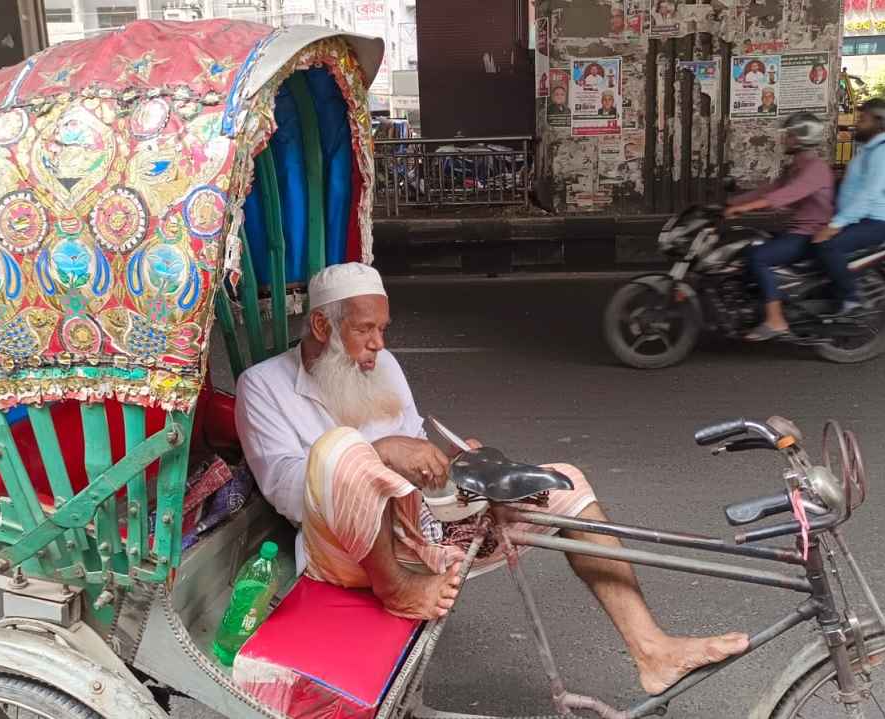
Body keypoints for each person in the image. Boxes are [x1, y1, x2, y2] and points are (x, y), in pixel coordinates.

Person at [235, 263, 750, 695]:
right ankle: (399, 590)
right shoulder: (262, 387)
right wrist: (381, 453)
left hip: (425, 530)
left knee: (564, 483)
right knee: (341, 448)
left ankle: (651, 649)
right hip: (347, 553)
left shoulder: (383, 365)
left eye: (383, 329)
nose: (379, 344)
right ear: (323, 328)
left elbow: (417, 446)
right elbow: (287, 492)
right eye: (365, 331)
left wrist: (462, 468)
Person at [724, 113, 835, 340]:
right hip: (794, 230)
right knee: (747, 245)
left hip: (808, 235)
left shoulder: (816, 168)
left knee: (759, 257)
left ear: (802, 138)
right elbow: (769, 190)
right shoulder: (796, 166)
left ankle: (776, 320)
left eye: (790, 135)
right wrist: (729, 203)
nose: (785, 139)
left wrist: (744, 209)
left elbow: (784, 196)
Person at [811, 98, 885, 313]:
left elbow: (870, 194)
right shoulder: (869, 150)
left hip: (876, 221)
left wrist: (835, 225)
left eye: (863, 119)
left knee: (828, 245)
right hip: (859, 217)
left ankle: (851, 299)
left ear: (878, 122)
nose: (857, 124)